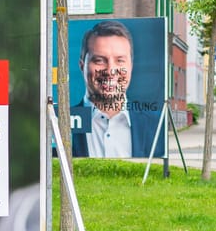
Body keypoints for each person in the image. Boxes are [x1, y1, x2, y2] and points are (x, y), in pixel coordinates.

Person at [69, 20, 162, 158]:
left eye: (120, 60)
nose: (110, 70)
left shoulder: (157, 125)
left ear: (131, 66)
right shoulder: (63, 123)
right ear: (82, 66)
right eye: (99, 60)